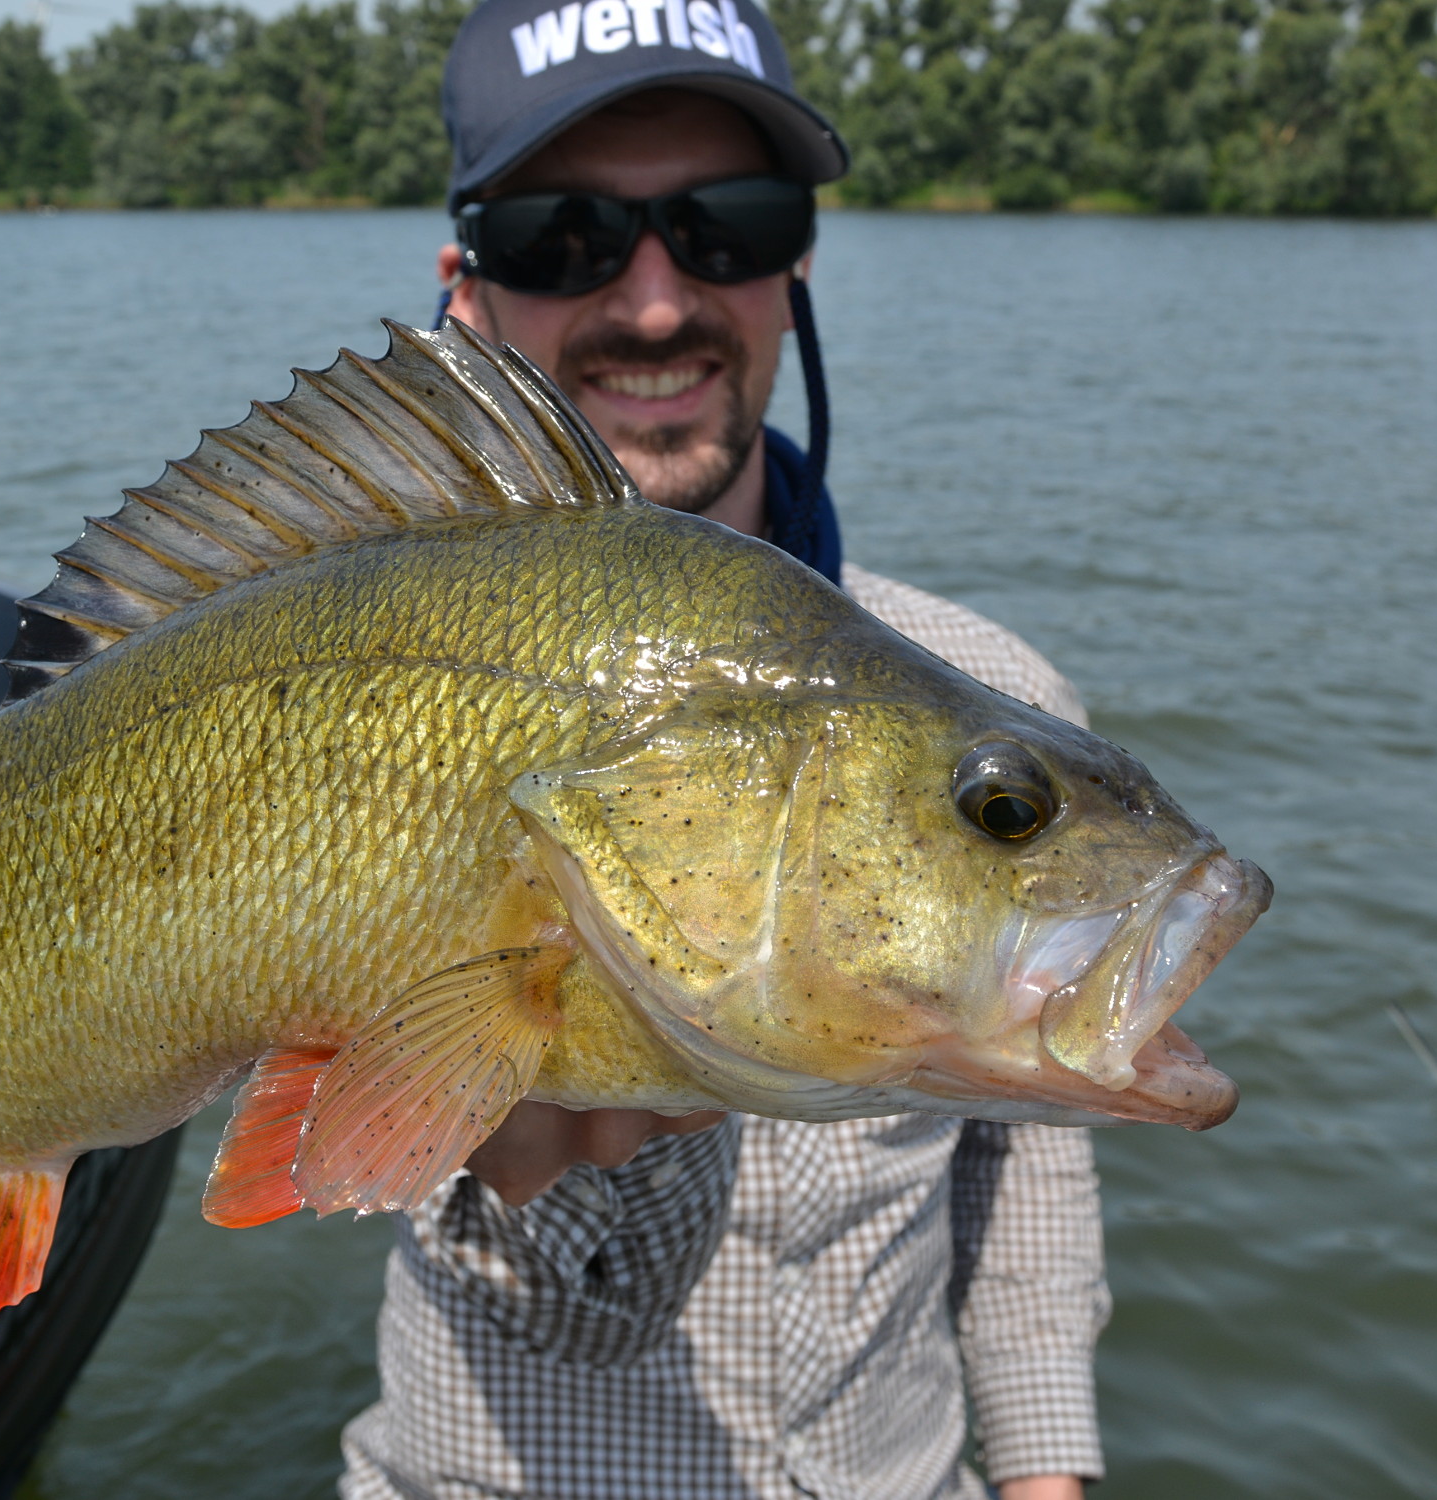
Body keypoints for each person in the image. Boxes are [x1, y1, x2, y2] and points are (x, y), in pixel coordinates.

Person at [338, 3, 1108, 1497]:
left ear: (794, 268)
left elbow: (1028, 1157)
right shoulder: (366, 699)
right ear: (468, 295)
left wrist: (1045, 1476)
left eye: (726, 224)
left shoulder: (1003, 708)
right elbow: (568, 1308)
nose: (649, 301)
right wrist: (546, 1141)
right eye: (560, 235)